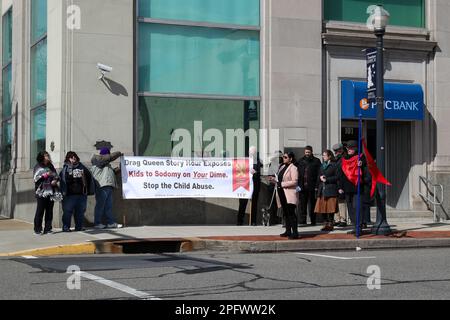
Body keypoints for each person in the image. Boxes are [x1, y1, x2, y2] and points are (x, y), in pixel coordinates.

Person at [337, 140, 371, 233]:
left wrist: (362, 165)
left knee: (357, 207)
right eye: (348, 148)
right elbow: (341, 174)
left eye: (351, 148)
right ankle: (354, 225)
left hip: (357, 187)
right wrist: (340, 187)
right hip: (347, 188)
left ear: (355, 149)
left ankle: (359, 227)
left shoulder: (361, 158)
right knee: (350, 208)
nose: (348, 149)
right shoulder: (344, 159)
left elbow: (367, 172)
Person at [59, 151, 95, 232]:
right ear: (68, 159)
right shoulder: (65, 169)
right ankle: (65, 227)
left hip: (81, 194)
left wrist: (88, 189)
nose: (73, 158)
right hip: (69, 195)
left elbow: (89, 177)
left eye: (74, 156)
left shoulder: (82, 167)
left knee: (80, 212)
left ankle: (79, 227)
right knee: (67, 212)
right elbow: (62, 180)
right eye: (71, 157)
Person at [91, 147, 124, 229]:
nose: (109, 156)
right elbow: (110, 157)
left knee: (108, 206)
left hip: (108, 186)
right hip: (102, 186)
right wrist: (119, 153)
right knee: (100, 205)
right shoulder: (98, 160)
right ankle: (97, 223)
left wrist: (119, 168)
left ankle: (110, 223)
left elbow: (111, 172)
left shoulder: (105, 164)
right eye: (108, 154)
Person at [270, 152, 299, 239]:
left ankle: (295, 232)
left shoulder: (293, 168)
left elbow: (294, 181)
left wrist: (281, 184)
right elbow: (280, 179)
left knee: (291, 213)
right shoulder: (282, 167)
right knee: (285, 213)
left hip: (289, 193)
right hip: (281, 193)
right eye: (283, 157)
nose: (283, 158)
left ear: (291, 158)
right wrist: (274, 179)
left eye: (285, 157)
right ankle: (288, 231)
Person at [33, 151, 62, 235]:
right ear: (42, 157)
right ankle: (37, 229)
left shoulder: (50, 166)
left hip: (51, 191)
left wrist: (55, 180)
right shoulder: (37, 166)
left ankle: (48, 228)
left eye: (48, 155)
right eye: (46, 155)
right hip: (42, 192)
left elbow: (56, 176)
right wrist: (45, 175)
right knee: (40, 210)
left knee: (49, 210)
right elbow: (36, 179)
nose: (48, 157)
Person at [237, 146, 262, 226]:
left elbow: (259, 171)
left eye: (254, 153)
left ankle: (253, 221)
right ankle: (240, 221)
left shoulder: (258, 161)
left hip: (255, 185)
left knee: (254, 204)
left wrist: (255, 172)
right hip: (245, 185)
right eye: (251, 152)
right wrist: (247, 170)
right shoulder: (244, 161)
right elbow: (239, 171)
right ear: (249, 152)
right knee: (242, 203)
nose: (253, 154)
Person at [314, 150, 339, 231]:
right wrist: (317, 186)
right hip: (322, 189)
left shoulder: (334, 165)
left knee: (330, 208)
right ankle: (325, 224)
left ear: (329, 156)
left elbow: (337, 177)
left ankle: (330, 224)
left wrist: (327, 179)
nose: (323, 157)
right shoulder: (322, 165)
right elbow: (318, 176)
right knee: (322, 208)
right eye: (323, 155)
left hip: (331, 189)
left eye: (324, 155)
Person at [298, 146, 321, 225]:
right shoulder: (300, 161)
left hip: (312, 186)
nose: (307, 154)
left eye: (308, 152)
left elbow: (319, 174)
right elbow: (298, 173)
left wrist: (317, 185)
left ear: (311, 152)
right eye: (306, 152)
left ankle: (313, 220)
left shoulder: (316, 161)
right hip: (302, 187)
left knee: (312, 204)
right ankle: (302, 220)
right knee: (302, 205)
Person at [332, 143, 348, 227]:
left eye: (337, 151)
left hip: (341, 183)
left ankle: (343, 219)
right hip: (336, 182)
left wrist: (341, 186)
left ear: (341, 150)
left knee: (341, 202)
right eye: (335, 151)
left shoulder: (343, 159)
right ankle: (337, 219)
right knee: (336, 201)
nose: (336, 153)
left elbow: (343, 174)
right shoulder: (335, 159)